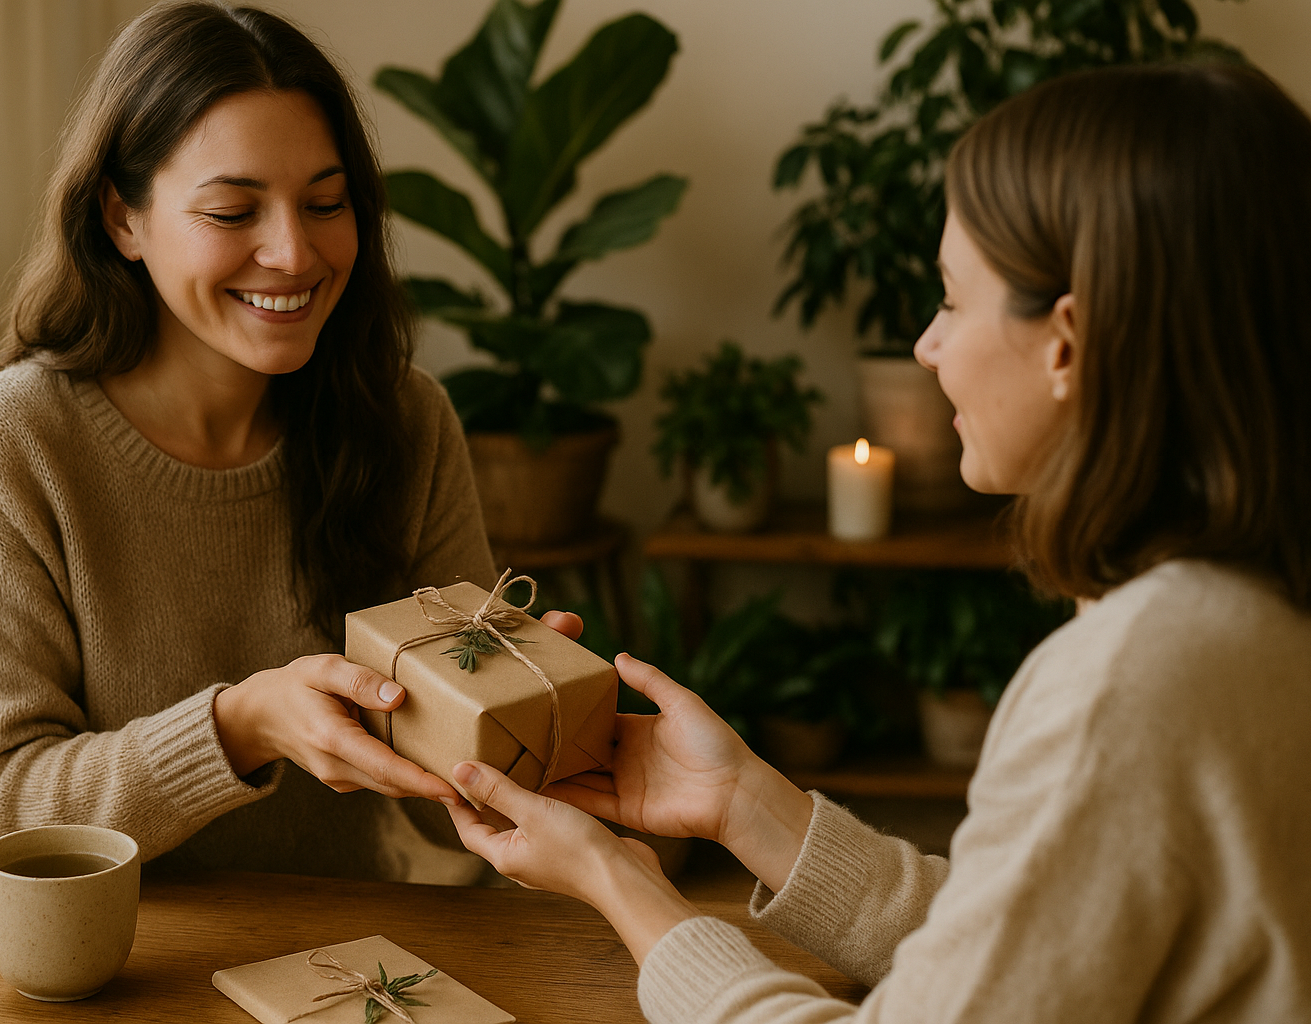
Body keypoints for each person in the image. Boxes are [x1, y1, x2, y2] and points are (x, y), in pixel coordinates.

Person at [449, 63, 1311, 1021]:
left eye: (949, 299)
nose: (926, 348)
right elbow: (1037, 945)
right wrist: (746, 803)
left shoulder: (1134, 678)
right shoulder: (1247, 614)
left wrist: (623, 888)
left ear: (1067, 342)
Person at [0, 2, 495, 881]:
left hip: (341, 970)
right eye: (232, 212)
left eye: (326, 203)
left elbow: (462, 809)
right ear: (122, 220)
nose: (294, 253)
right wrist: (240, 726)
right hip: (99, 979)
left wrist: (531, 724)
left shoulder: (406, 421)